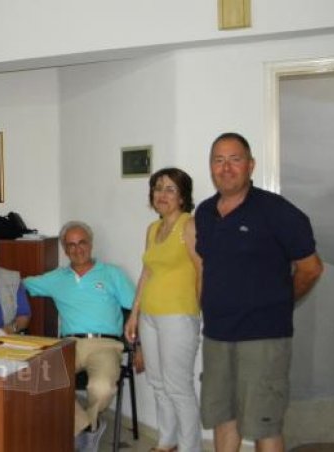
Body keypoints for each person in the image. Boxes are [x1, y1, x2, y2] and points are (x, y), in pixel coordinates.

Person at [195, 132, 323, 452]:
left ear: (250, 165)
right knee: (223, 417)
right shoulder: (205, 213)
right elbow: (208, 267)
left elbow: (311, 268)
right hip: (217, 336)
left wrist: (281, 302)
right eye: (218, 160)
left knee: (264, 424)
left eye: (234, 159)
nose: (226, 168)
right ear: (211, 167)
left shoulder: (277, 212)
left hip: (263, 339)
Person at [24, 221, 134, 452]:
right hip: (69, 344)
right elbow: (21, 285)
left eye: (82, 242)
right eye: (71, 245)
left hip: (105, 344)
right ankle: (88, 427)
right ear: (65, 249)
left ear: (91, 244)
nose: (77, 249)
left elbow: (137, 308)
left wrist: (140, 347)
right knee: (41, 378)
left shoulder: (112, 273)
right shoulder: (56, 278)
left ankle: (85, 427)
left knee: (101, 388)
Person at [123, 167, 202, 452]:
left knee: (178, 387)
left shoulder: (189, 225)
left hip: (179, 316)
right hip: (150, 316)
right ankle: (167, 442)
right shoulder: (152, 229)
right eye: (158, 188)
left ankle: (190, 447)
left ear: (182, 196)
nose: (162, 194)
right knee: (158, 383)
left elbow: (202, 269)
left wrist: (197, 310)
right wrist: (134, 314)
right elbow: (147, 272)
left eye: (170, 189)